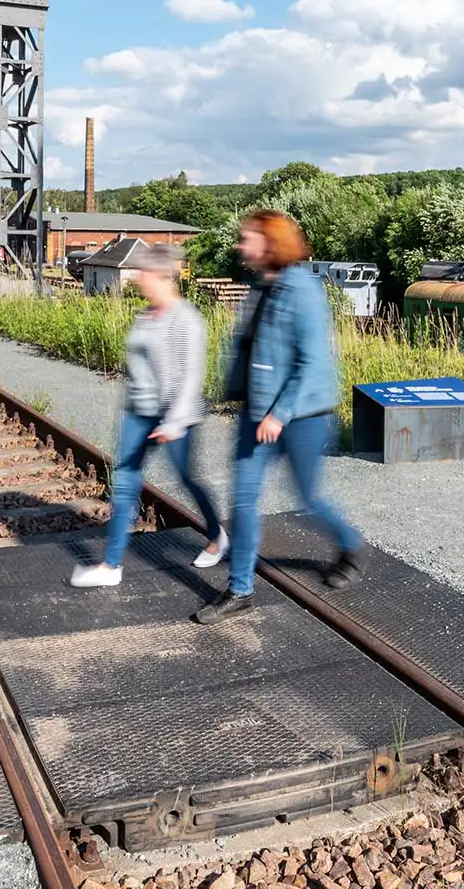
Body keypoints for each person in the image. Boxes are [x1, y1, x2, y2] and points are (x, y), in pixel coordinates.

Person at [194, 210, 363, 625]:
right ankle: (240, 589)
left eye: (247, 237)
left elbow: (310, 362)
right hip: (256, 413)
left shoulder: (302, 289)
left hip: (302, 415)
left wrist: (279, 414)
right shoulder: (261, 285)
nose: (240, 244)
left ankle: (349, 543)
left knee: (307, 499)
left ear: (269, 242)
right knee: (244, 499)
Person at [69, 245, 228, 587]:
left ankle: (218, 534)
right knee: (124, 484)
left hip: (174, 414)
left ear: (160, 276)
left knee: (187, 478)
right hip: (138, 414)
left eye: (143, 275)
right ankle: (111, 566)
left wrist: (172, 423)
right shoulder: (145, 316)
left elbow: (191, 376)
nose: (139, 281)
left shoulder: (186, 319)